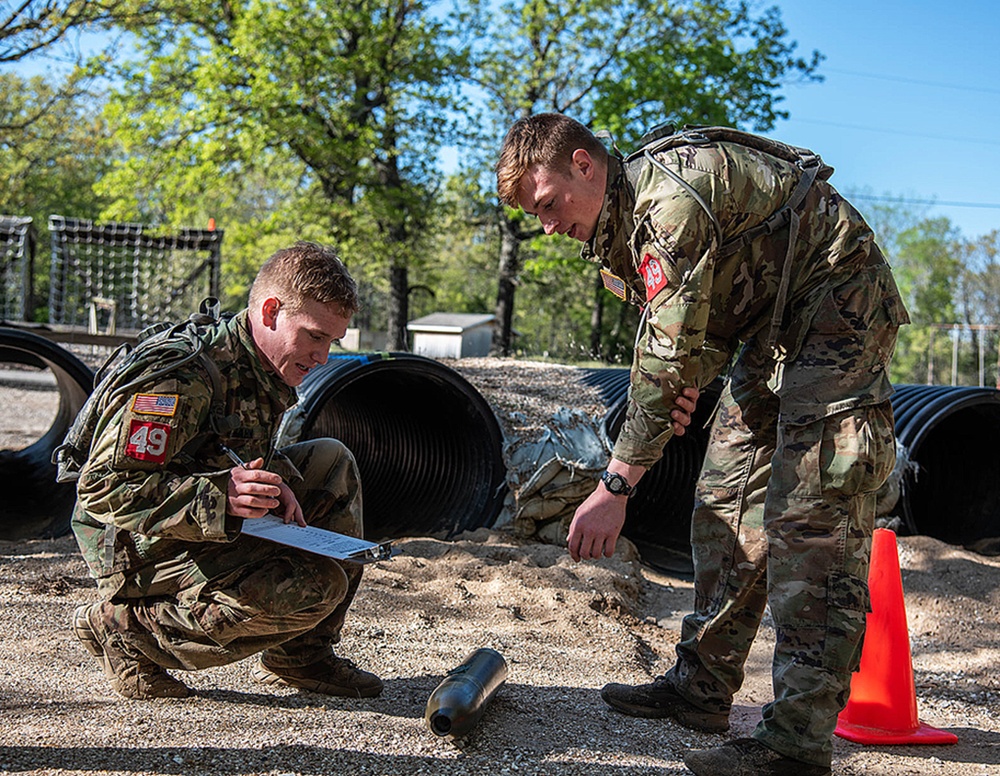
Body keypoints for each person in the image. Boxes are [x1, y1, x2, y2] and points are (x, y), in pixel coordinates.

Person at [495, 114, 909, 776]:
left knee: (808, 517)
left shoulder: (668, 205)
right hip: (771, 327)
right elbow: (693, 337)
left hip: (836, 302)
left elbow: (662, 362)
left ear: (583, 165)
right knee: (726, 492)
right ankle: (702, 686)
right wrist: (689, 376)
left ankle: (796, 743)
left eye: (546, 204)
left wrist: (616, 487)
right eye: (532, 215)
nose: (545, 226)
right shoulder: (620, 228)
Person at [69, 241, 383, 701]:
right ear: (271, 311)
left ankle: (300, 657)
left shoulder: (258, 366)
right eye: (315, 336)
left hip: (198, 520)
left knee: (331, 461)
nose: (323, 357)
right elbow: (103, 487)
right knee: (314, 587)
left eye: (332, 342)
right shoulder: (183, 378)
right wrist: (222, 497)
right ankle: (123, 630)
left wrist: (274, 478)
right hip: (131, 544)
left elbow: (220, 449)